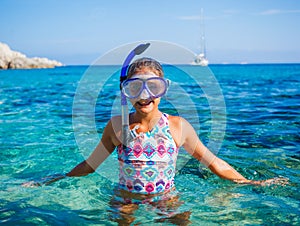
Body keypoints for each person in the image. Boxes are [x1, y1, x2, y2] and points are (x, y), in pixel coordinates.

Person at [23, 57, 288, 224]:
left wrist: (251, 182)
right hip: (125, 199)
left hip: (167, 198)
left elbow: (213, 162)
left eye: (154, 87)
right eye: (136, 87)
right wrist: (54, 179)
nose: (145, 95)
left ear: (164, 89)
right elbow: (90, 165)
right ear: (126, 92)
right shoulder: (117, 127)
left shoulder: (178, 127)